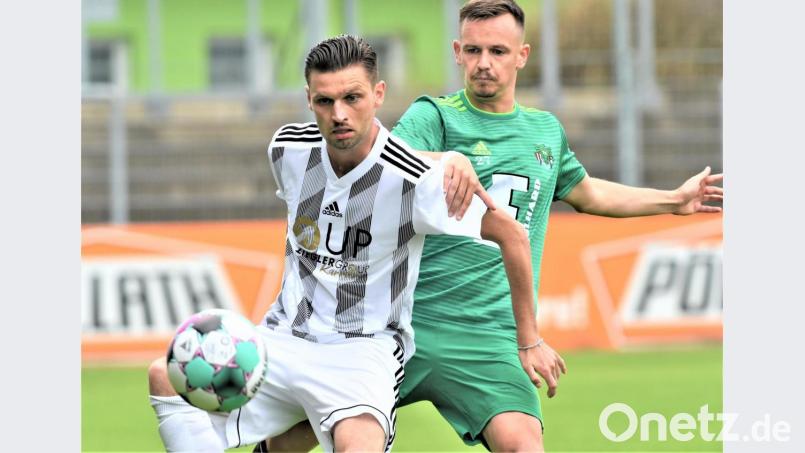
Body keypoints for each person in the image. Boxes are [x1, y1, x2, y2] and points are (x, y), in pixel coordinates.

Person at [266, 0, 724, 451]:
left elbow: (589, 193)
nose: (484, 63)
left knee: (524, 446)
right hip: (404, 325)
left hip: (489, 336)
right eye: (473, 50)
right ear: (457, 52)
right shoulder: (435, 116)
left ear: (521, 56)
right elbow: (377, 161)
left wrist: (672, 200)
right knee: (295, 441)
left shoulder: (545, 132)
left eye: (498, 51)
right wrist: (446, 158)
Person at [146, 34, 554, 453]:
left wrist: (528, 338)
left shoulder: (416, 182)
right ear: (308, 99)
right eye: (324, 101)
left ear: (378, 95)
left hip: (362, 353)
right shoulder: (287, 149)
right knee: (166, 375)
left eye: (352, 98)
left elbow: (510, 233)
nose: (339, 114)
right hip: (284, 340)